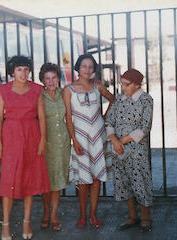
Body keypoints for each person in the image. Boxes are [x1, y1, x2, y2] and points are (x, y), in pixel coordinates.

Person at [0, 56, 50, 240]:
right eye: (19, 69)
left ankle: (26, 222)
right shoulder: (3, 90)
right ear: (12, 71)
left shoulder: (36, 89)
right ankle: (6, 224)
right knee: (9, 180)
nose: (23, 73)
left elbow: (41, 116)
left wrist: (42, 140)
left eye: (26, 69)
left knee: (30, 179)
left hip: (32, 134)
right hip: (11, 136)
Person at [63, 54, 115, 228]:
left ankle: (93, 214)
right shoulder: (68, 89)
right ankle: (82, 214)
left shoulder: (97, 85)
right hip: (80, 138)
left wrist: (104, 117)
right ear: (78, 68)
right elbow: (68, 119)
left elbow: (113, 99)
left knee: (96, 178)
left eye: (91, 66)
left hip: (98, 136)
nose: (87, 69)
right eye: (84, 66)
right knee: (83, 179)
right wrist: (74, 141)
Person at [105, 69, 153, 233]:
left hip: (135, 150)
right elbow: (109, 121)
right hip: (119, 150)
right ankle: (133, 216)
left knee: (140, 181)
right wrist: (113, 140)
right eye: (121, 84)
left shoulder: (146, 100)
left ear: (138, 84)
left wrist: (121, 141)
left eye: (127, 84)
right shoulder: (119, 99)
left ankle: (146, 217)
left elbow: (144, 127)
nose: (123, 87)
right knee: (123, 182)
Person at [39, 63, 71, 231]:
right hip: (47, 142)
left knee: (58, 180)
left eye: (54, 78)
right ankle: (45, 211)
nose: (51, 82)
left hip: (63, 142)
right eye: (47, 78)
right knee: (47, 181)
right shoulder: (39, 95)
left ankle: (54, 214)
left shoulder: (63, 93)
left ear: (59, 78)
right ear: (42, 80)